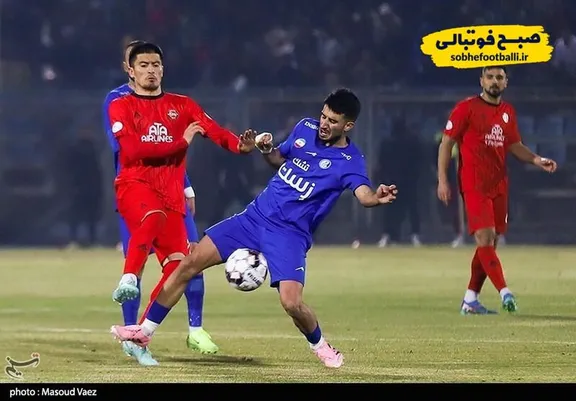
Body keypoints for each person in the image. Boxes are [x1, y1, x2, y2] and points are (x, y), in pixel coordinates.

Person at [110, 88, 398, 368]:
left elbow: (363, 195)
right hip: (254, 217)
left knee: (292, 303)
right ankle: (144, 332)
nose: (324, 123)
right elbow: (278, 160)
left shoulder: (350, 161)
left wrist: (376, 197)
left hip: (289, 235)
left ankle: (321, 345)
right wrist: (267, 149)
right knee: (189, 263)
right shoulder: (305, 128)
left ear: (348, 126)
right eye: (323, 116)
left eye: (332, 121)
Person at [106, 42, 255, 363]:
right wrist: (180, 143)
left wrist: (238, 146)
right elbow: (133, 151)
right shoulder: (120, 105)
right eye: (143, 65)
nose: (150, 70)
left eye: (155, 65)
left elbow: (214, 131)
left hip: (171, 196)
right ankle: (128, 278)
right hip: (134, 186)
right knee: (153, 217)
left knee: (180, 269)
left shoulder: (182, 105)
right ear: (130, 70)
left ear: (163, 69)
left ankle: (139, 335)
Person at [437, 66, 557, 315]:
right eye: (490, 77)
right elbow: (446, 143)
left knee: (490, 242)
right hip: (474, 183)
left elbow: (514, 144)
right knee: (485, 237)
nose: (494, 81)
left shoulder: (507, 112)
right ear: (481, 80)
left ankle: (470, 300)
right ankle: (505, 293)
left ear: (506, 83)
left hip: (499, 184)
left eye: (499, 77)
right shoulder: (466, 108)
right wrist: (442, 180)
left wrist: (536, 159)